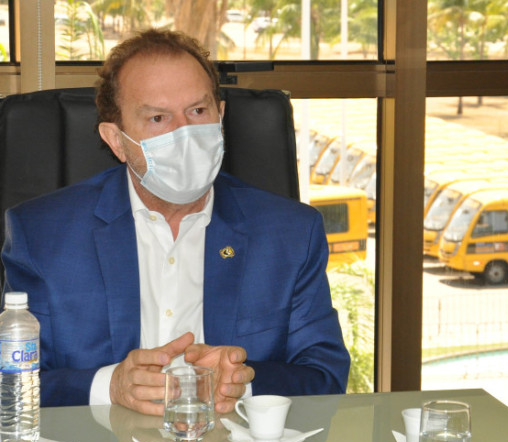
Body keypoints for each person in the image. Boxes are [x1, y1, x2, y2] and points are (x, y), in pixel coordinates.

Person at [1, 29, 350, 415]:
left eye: (198, 112)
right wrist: (110, 386)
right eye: (157, 118)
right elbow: (12, 383)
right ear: (116, 140)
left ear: (221, 116)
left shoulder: (289, 233)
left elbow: (324, 375)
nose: (184, 133)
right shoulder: (43, 234)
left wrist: (242, 383)